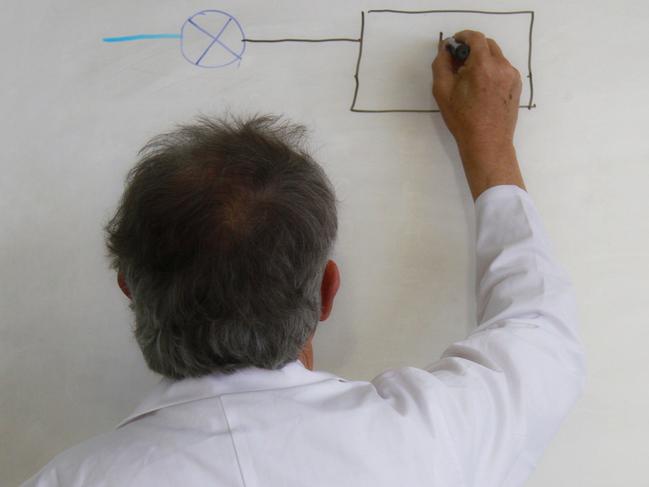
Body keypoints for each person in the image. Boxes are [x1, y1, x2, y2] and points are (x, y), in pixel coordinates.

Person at [21, 30, 586, 486]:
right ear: (326, 291)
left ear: (128, 287)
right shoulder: (426, 443)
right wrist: (489, 141)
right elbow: (541, 333)